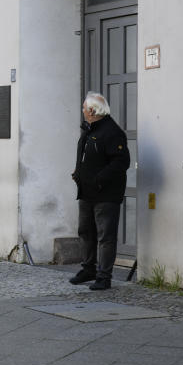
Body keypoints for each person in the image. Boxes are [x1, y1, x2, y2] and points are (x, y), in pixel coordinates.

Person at [69, 92, 130, 291]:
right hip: (86, 192)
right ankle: (88, 269)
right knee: (85, 231)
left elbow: (121, 162)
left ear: (93, 111)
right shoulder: (89, 129)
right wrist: (79, 173)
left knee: (105, 236)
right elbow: (87, 157)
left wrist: (98, 179)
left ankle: (104, 276)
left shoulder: (112, 132)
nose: (83, 111)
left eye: (84, 108)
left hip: (106, 194)